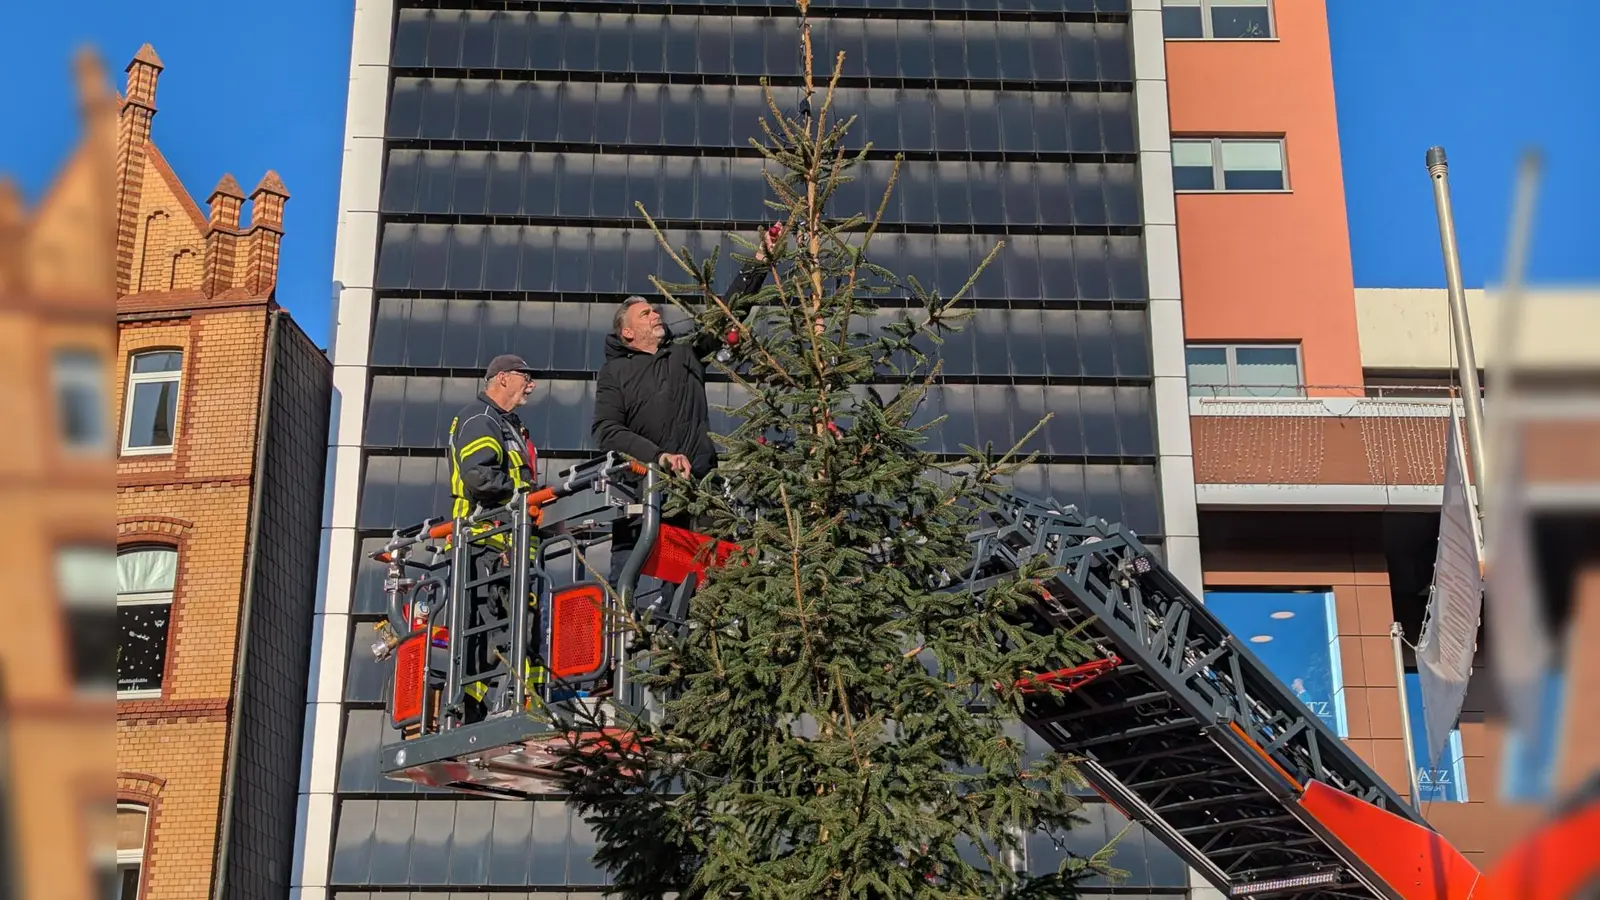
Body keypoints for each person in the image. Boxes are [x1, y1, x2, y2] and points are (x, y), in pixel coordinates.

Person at [593, 225, 783, 589]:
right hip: (645, 493)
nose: (656, 315)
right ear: (627, 333)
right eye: (645, 314)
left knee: (703, 582)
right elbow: (607, 431)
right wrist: (659, 458)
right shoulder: (614, 373)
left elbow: (728, 312)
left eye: (654, 311)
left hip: (701, 486)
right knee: (629, 581)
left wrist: (760, 260)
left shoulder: (686, 353)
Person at [447, 353, 542, 717]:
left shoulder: (508, 424)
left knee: (518, 627)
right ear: (502, 378)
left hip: (509, 547)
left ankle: (523, 703)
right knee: (485, 631)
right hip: (485, 544)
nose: (529, 385)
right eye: (524, 377)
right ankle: (476, 709)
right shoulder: (480, 418)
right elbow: (479, 477)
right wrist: (523, 497)